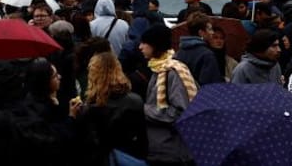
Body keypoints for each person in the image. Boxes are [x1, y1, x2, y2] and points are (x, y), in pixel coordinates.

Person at [70, 51, 147, 165]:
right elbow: (142, 141)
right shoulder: (136, 101)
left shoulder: (88, 109)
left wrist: (73, 117)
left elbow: (84, 147)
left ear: (93, 75)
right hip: (130, 159)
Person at [139, 24, 197, 166]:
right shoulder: (158, 68)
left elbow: (179, 112)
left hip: (171, 152)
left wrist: (145, 110)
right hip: (161, 148)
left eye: (144, 43)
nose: (140, 47)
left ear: (155, 45)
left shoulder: (173, 72)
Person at [175, 14, 223, 86]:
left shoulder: (180, 52)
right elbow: (212, 85)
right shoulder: (207, 55)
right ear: (201, 33)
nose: (212, 32)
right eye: (209, 29)